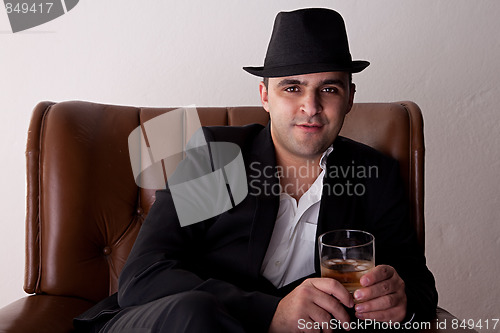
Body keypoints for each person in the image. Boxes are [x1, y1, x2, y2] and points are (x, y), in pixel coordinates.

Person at [75, 8, 437, 332]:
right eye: (292, 88)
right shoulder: (220, 158)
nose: (310, 107)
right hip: (168, 322)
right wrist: (271, 312)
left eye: (328, 88)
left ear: (350, 98)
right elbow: (143, 277)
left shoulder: (372, 175)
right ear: (265, 96)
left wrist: (400, 298)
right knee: (196, 312)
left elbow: (420, 291)